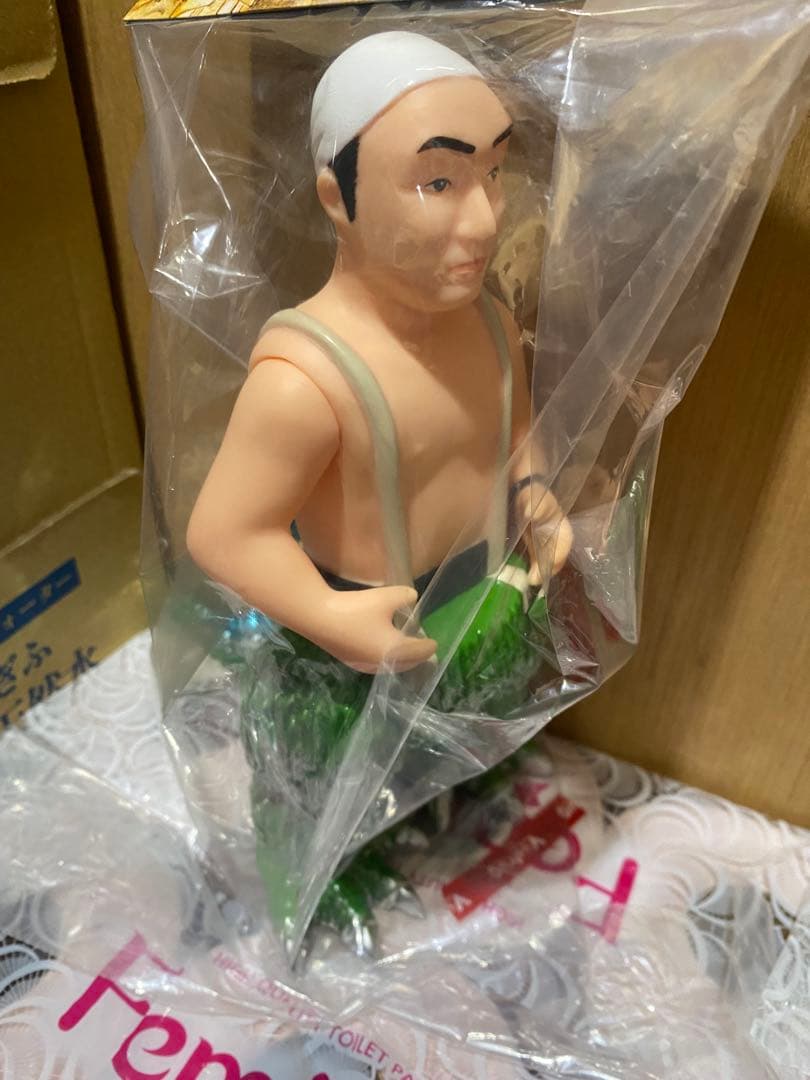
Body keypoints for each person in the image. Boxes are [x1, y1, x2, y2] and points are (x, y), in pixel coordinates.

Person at [187, 31, 573, 958]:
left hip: (484, 592)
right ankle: (318, 885)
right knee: (321, 785)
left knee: (468, 737)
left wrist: (534, 491)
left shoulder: (491, 321)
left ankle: (453, 798)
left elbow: (512, 428)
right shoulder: (306, 378)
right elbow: (225, 533)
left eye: (492, 174)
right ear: (339, 197)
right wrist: (327, 614)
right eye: (437, 181)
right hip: (352, 640)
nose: (482, 220)